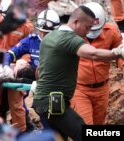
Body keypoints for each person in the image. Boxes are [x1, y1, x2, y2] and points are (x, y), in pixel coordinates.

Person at [33, 5, 124, 141]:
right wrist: (117, 53)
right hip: (54, 102)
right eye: (87, 28)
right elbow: (93, 53)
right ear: (76, 22)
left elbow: (40, 70)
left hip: (44, 101)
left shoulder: (50, 36)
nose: (88, 32)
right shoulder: (69, 38)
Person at [71, 2, 124, 125]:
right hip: (80, 89)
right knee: (85, 126)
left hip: (102, 89)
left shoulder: (111, 32)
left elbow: (120, 54)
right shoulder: (72, 35)